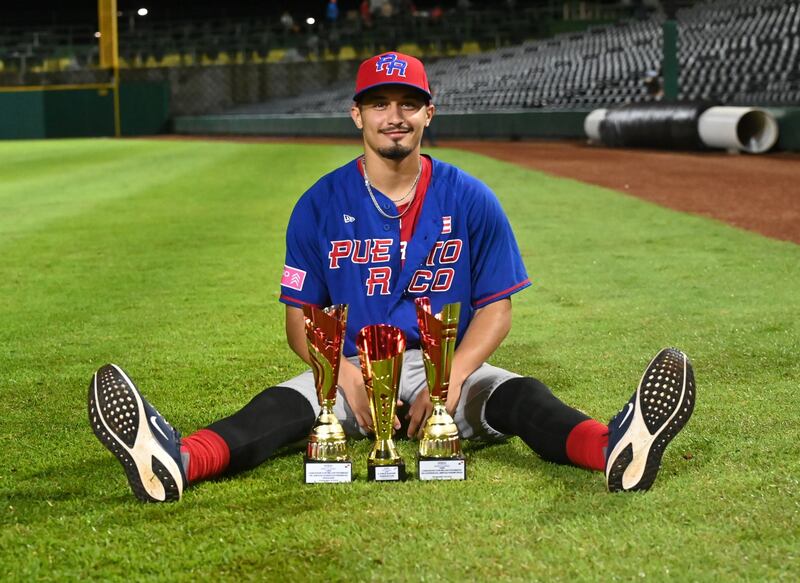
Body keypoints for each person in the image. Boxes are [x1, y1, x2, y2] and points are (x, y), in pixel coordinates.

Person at [87, 52, 696, 503]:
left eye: (407, 103)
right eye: (380, 103)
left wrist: (451, 378)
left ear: (430, 111)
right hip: (350, 361)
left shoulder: (472, 198)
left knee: (522, 398)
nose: (394, 116)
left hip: (441, 361)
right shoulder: (319, 203)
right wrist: (342, 376)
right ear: (357, 114)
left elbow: (496, 309)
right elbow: (301, 318)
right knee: (279, 410)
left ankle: (612, 447)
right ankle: (176, 459)